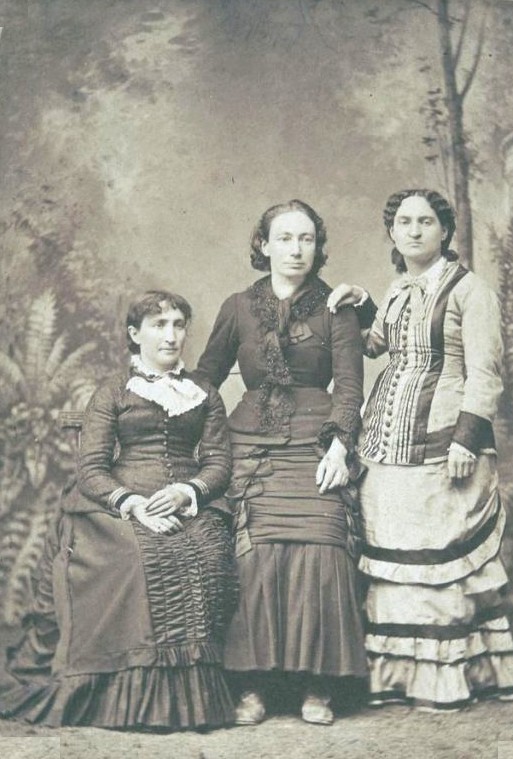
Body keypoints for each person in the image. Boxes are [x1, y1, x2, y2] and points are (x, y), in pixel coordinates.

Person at [327, 189, 513, 711]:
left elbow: (486, 374)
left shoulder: (471, 291)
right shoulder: (399, 289)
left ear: (445, 231)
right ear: (393, 234)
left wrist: (468, 438)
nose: (414, 230)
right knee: (393, 557)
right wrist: (359, 300)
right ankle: (397, 679)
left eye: (425, 221)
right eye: (404, 222)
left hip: (445, 443)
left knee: (437, 562)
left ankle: (446, 680)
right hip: (386, 443)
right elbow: (379, 345)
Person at [0, 291, 238, 729]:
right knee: (133, 553)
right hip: (117, 502)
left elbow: (220, 462)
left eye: (178, 325)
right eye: (158, 325)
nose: (171, 336)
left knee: (206, 552)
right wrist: (132, 504)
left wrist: (188, 492)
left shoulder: (203, 392)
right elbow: (90, 468)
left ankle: (193, 695)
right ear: (135, 334)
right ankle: (128, 692)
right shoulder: (113, 391)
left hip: (188, 502)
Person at [195, 199, 367, 725]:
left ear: (318, 247)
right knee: (255, 553)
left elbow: (350, 387)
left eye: (306, 239)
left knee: (325, 547)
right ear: (264, 245)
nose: (296, 249)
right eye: (285, 238)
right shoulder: (237, 307)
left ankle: (319, 685)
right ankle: (254, 684)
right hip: (249, 447)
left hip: (317, 445)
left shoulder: (337, 307)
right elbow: (205, 376)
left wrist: (339, 447)